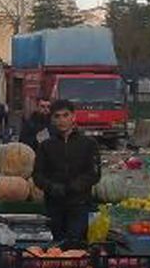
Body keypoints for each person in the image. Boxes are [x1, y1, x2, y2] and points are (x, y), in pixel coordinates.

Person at [31, 99, 102, 249]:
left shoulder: (89, 144)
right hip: (54, 205)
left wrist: (75, 186)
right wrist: (51, 187)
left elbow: (94, 173)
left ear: (73, 117)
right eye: (57, 116)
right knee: (56, 247)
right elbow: (37, 174)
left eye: (65, 115)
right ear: (52, 119)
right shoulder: (46, 146)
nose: (62, 120)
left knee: (76, 245)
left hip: (79, 204)